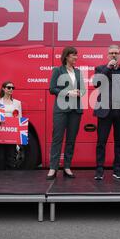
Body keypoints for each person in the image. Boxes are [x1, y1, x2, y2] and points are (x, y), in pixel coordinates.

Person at [93, 45, 120, 180]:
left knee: (119, 142)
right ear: (107, 55)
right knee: (101, 142)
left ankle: (117, 169)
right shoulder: (100, 69)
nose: (114, 55)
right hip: (105, 111)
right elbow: (96, 83)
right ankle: (99, 170)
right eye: (111, 53)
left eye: (116, 53)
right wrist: (108, 68)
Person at [47, 47, 86, 180]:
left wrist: (80, 93)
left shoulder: (78, 72)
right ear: (66, 57)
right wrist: (68, 92)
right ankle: (53, 168)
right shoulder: (58, 70)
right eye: (73, 55)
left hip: (76, 110)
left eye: (76, 55)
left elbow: (84, 90)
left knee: (71, 139)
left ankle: (67, 167)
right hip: (61, 110)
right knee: (57, 138)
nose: (76, 57)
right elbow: (52, 89)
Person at [0, 81, 23, 171]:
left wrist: (19, 138)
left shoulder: (17, 103)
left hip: (12, 133)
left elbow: (19, 119)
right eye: (9, 87)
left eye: (12, 88)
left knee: (11, 157)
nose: (11, 89)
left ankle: (10, 179)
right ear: (3, 88)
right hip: (0, 133)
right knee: (0, 157)